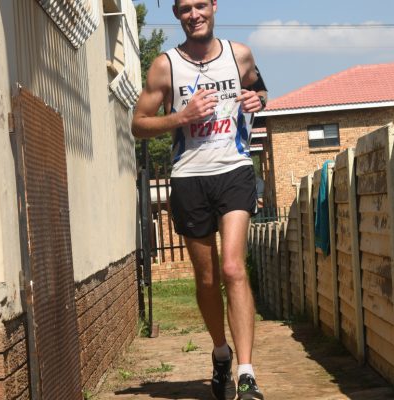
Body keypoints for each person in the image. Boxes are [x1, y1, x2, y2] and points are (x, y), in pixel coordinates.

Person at [132, 1, 267, 399]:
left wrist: (259, 100)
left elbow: (259, 88)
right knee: (206, 279)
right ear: (177, 14)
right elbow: (138, 124)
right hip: (189, 177)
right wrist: (181, 116)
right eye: (186, 8)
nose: (195, 14)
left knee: (233, 267)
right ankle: (221, 353)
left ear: (214, 6)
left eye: (201, 5)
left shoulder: (240, 55)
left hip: (234, 169)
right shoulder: (165, 66)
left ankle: (247, 373)